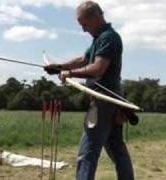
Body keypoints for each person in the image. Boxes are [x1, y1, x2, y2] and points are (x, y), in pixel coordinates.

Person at [44, 1, 134, 180]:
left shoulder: (108, 37)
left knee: (88, 151)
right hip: (110, 100)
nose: (84, 29)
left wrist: (69, 73)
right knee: (117, 148)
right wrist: (60, 67)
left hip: (104, 102)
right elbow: (84, 59)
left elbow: (97, 68)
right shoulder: (100, 38)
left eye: (84, 24)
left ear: (96, 17)